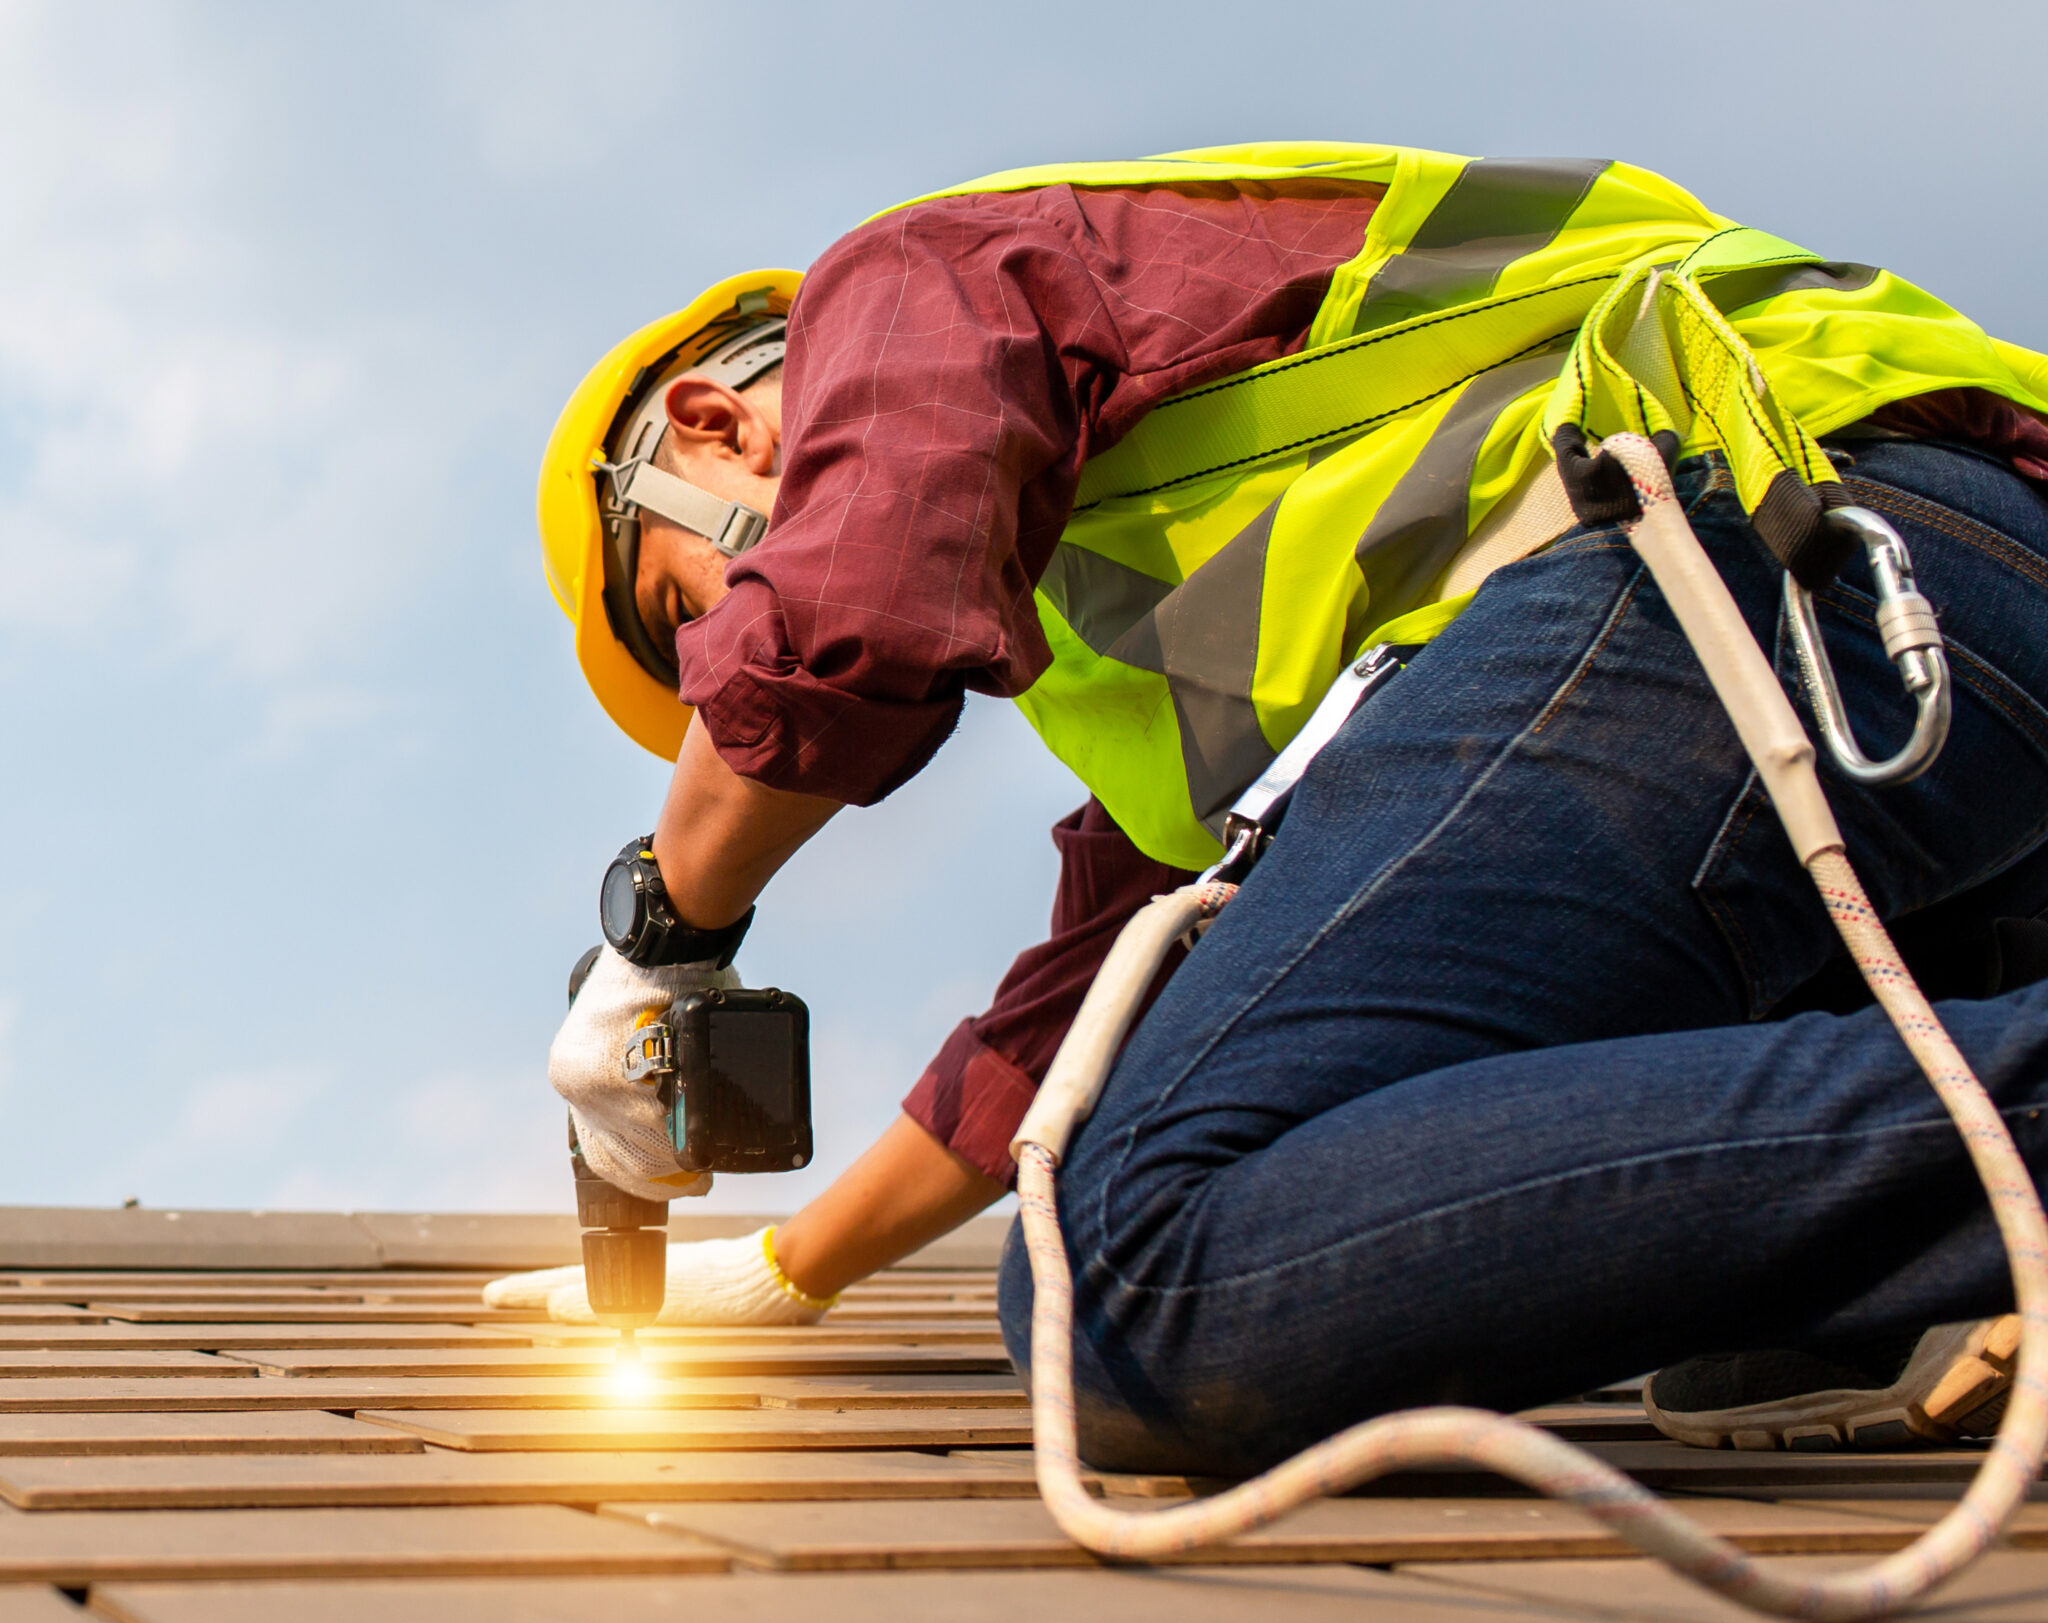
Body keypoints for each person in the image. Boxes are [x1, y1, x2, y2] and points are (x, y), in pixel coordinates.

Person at [515, 143, 2048, 1467]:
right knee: (1744, 1339)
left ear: (713, 427)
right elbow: (1071, 1030)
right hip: (1941, 626)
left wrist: (662, 933)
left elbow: (843, 608)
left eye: (694, 616)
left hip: (1757, 544)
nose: (726, 682)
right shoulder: (1125, 633)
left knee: (1123, 1275)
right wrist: (790, 1269)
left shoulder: (909, 285)